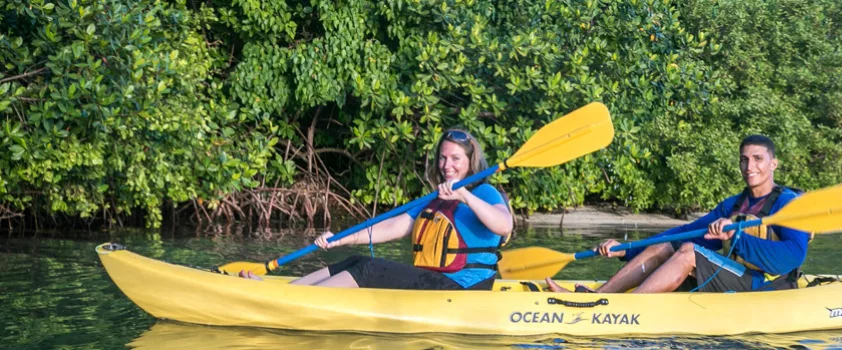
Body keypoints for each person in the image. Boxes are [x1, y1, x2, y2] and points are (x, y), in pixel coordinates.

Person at [242, 129, 513, 290]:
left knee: (370, 268)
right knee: (356, 261)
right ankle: (287, 291)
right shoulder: (434, 200)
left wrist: (465, 195)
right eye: (442, 157)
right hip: (436, 280)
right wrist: (337, 240)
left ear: (470, 162)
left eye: (455, 158)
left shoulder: (483, 192)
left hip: (465, 286)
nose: (447, 165)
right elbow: (390, 228)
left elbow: (505, 226)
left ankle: (292, 301)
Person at [547, 134, 809, 293]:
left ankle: (625, 308)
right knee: (669, 246)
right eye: (744, 159)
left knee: (688, 252)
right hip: (738, 275)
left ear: (773, 163)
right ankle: (600, 297)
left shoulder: (788, 204)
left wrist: (737, 236)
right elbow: (685, 233)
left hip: (765, 283)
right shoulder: (733, 204)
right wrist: (626, 249)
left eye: (758, 158)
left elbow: (793, 257)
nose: (750, 166)